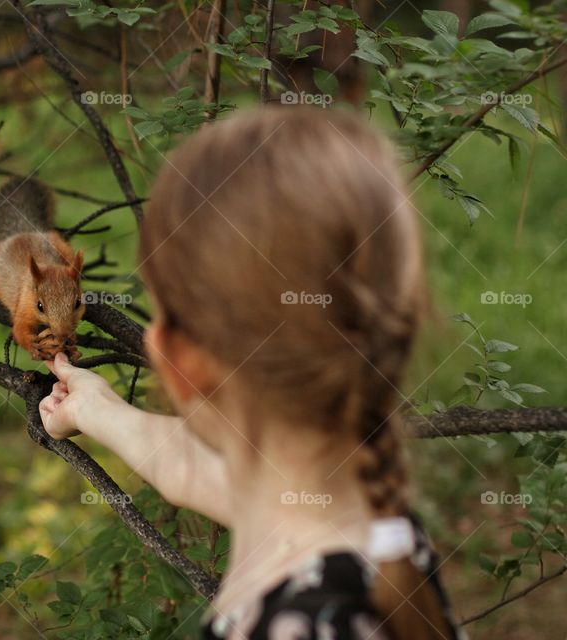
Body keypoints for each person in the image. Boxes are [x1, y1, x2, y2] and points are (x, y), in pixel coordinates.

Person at [38, 108, 464, 640]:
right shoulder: (371, 527)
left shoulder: (296, 627)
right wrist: (90, 407)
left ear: (179, 360)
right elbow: (185, 468)